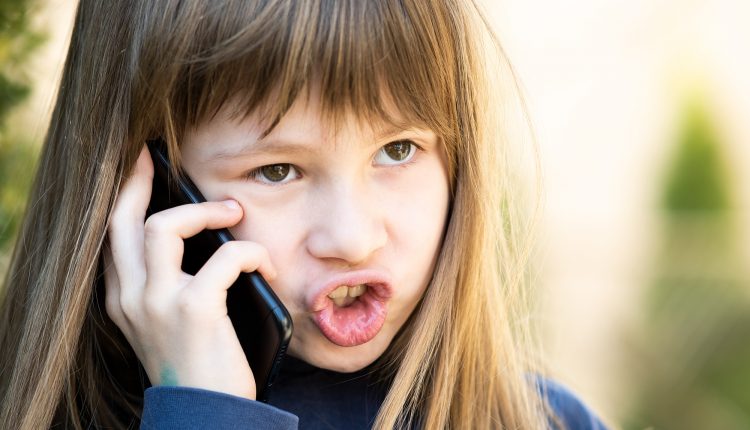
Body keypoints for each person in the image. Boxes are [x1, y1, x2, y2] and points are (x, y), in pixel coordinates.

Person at [0, 1, 608, 428]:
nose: (353, 238)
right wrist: (205, 413)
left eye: (398, 150)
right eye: (276, 171)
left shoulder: (548, 422)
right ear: (151, 191)